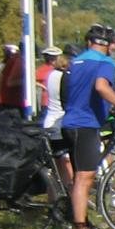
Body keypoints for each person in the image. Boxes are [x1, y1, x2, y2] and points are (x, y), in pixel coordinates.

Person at [59, 25, 115, 229]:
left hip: (71, 122)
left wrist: (108, 107)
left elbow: (81, 93)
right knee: (85, 177)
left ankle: (79, 220)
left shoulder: (78, 62)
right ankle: (80, 228)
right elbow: (101, 87)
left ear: (88, 42)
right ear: (109, 45)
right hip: (85, 125)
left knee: (79, 177)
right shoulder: (105, 62)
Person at [36, 46, 71, 184]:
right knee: (67, 162)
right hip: (59, 123)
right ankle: (71, 194)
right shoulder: (64, 77)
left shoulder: (51, 74)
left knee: (56, 167)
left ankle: (55, 198)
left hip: (49, 120)